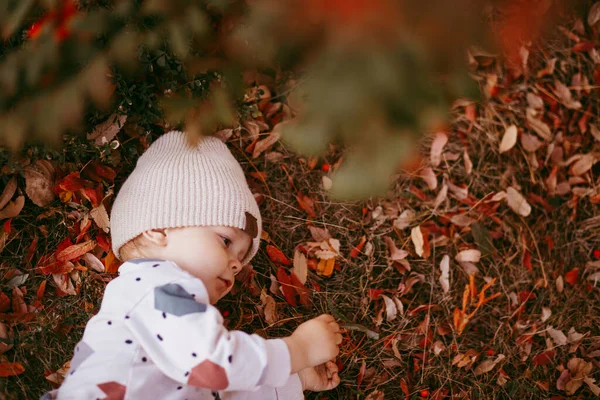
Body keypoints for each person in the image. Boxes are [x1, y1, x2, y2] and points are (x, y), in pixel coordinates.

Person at [44, 131, 341, 400]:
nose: (237, 265)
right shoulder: (155, 289)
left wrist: (292, 380)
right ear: (158, 229)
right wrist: (299, 351)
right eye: (225, 241)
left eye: (240, 256)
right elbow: (216, 364)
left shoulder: (164, 314)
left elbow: (214, 387)